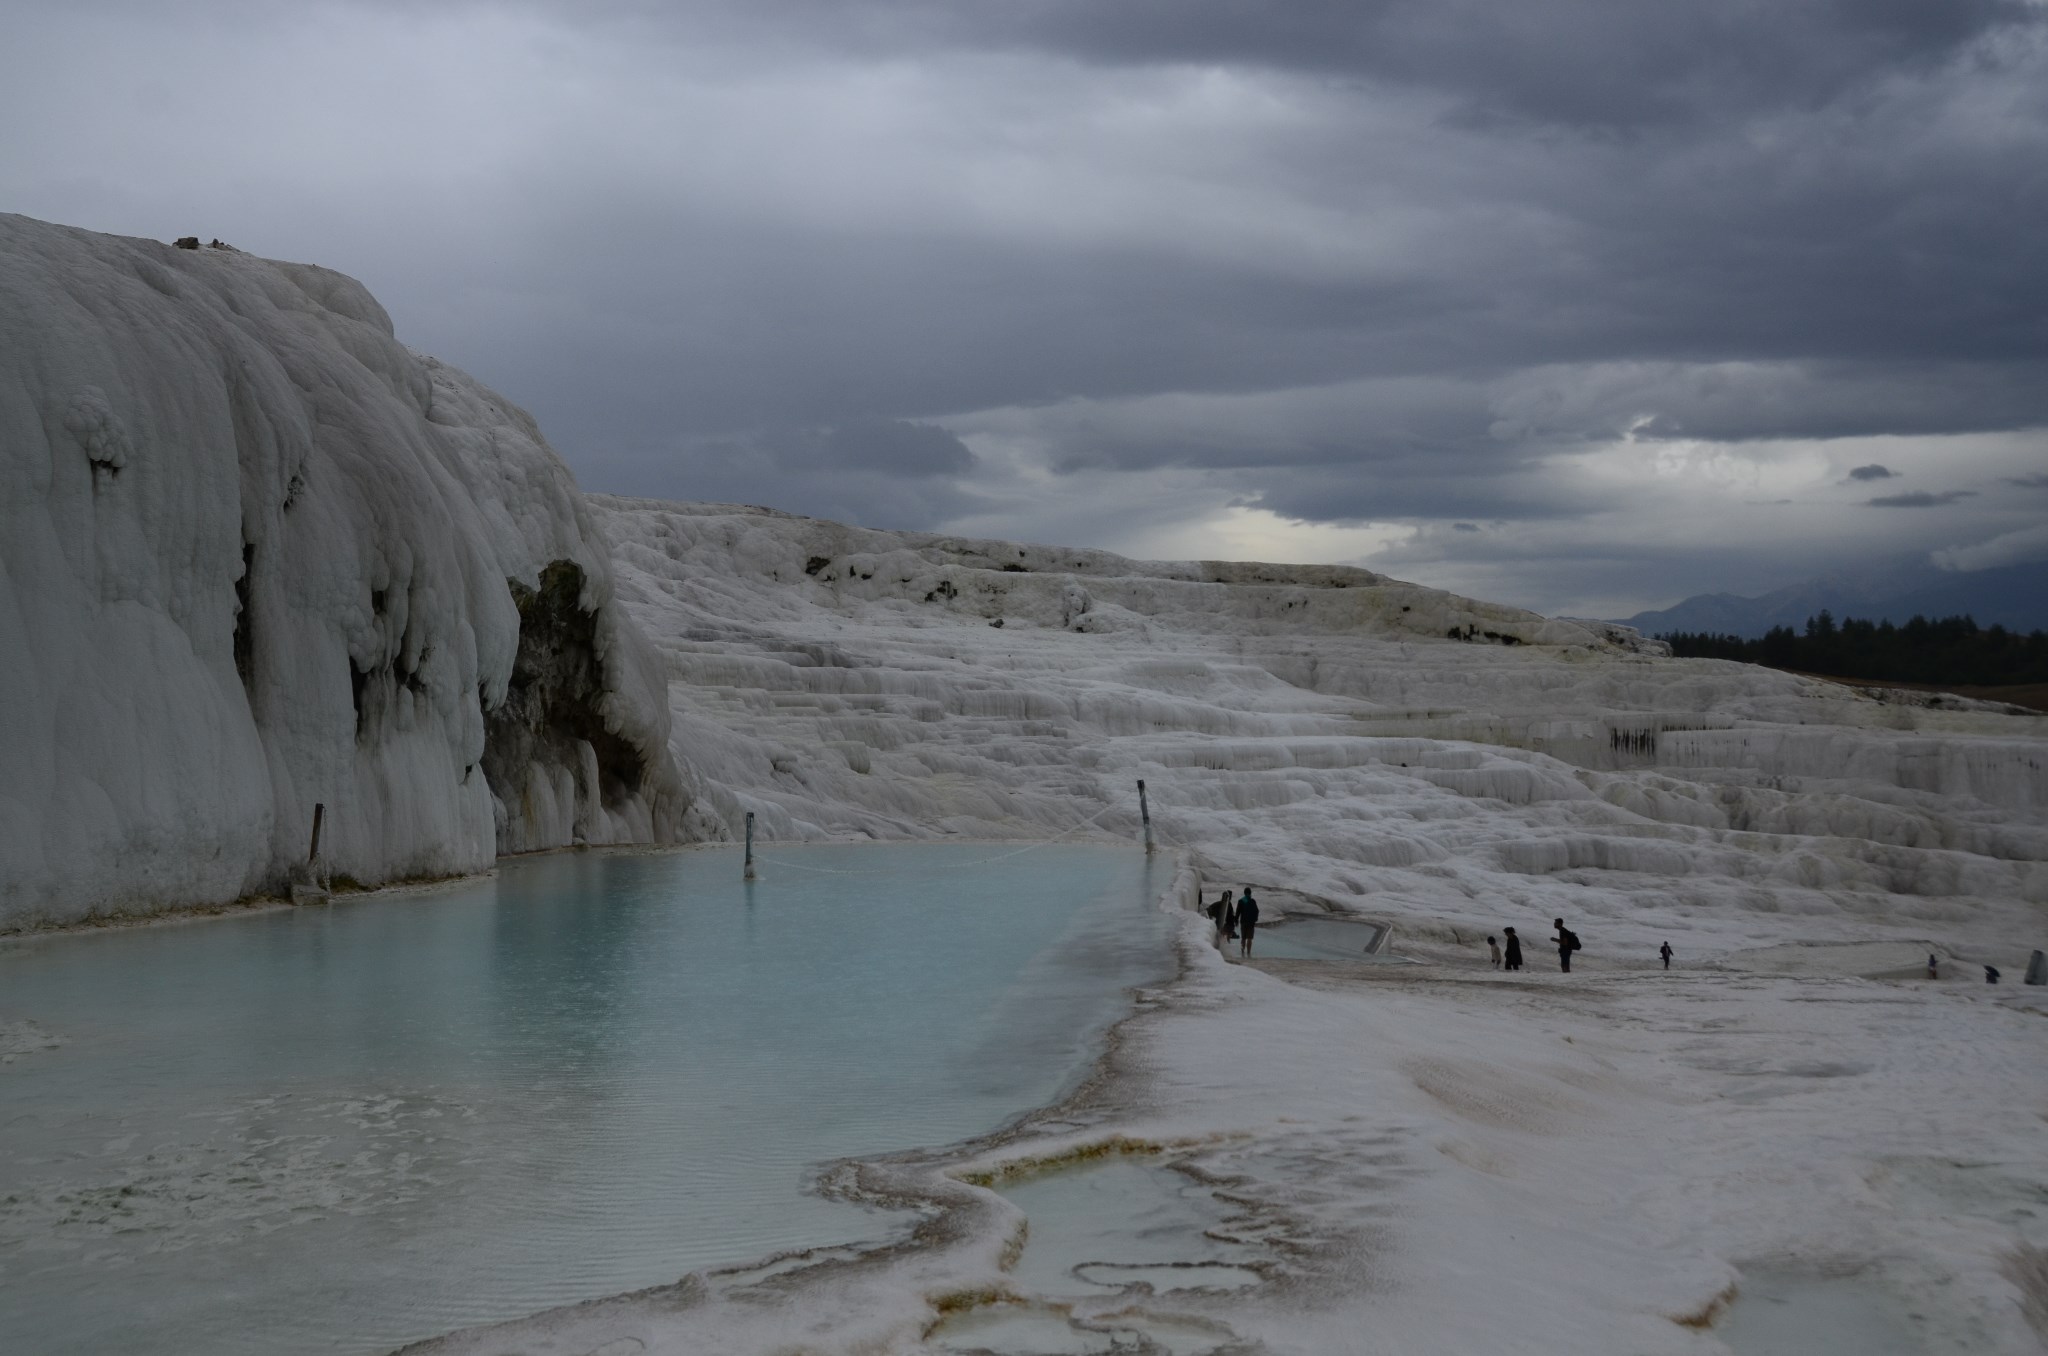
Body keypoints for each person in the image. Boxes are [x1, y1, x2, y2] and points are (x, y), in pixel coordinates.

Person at [1237, 887, 1260, 957]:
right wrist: (1255, 919)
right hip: (1251, 922)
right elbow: (1257, 911)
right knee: (1249, 938)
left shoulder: (1241, 901)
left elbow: (1238, 912)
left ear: (1244, 893)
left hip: (1243, 922)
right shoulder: (1252, 901)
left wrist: (1235, 920)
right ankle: (1249, 953)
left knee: (1243, 938)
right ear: (1250, 893)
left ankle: (1242, 952)